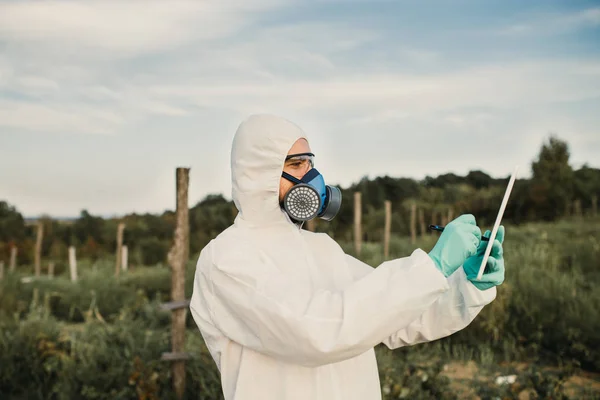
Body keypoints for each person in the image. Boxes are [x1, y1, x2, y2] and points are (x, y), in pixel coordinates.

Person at [189, 114, 505, 400]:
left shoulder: (322, 249)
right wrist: (431, 266)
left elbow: (400, 317)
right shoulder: (227, 259)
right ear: (259, 174)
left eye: (310, 164)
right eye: (297, 165)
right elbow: (317, 332)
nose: (312, 176)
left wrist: (464, 282)